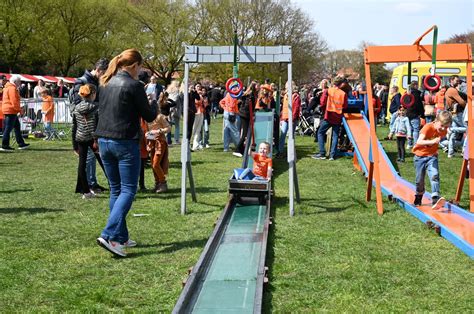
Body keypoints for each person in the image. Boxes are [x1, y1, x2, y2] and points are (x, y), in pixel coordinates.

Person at [95, 48, 158, 257]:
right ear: (134, 65)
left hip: (104, 140)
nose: (140, 70)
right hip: (124, 142)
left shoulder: (105, 82)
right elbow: (149, 116)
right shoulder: (134, 86)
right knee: (128, 190)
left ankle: (120, 236)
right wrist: (155, 103)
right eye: (140, 66)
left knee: (116, 189)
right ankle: (109, 235)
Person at [71, 58, 110, 193]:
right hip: (86, 127)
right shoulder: (81, 81)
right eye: (104, 73)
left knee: (94, 157)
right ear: (98, 70)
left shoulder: (96, 81)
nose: (105, 76)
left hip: (95, 125)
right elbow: (78, 104)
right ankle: (88, 185)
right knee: (89, 159)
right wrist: (96, 107)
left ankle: (92, 183)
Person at [412, 110, 452, 208]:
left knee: (435, 175)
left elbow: (442, 138)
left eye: (446, 127)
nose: (443, 128)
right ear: (436, 121)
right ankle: (419, 195)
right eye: (442, 125)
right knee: (419, 180)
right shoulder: (427, 127)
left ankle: (435, 197)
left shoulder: (444, 130)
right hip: (419, 157)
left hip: (432, 157)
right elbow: (419, 141)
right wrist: (432, 141)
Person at [72, 84, 100, 199]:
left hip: (80, 138)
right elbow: (99, 125)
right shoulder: (97, 108)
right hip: (95, 139)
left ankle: (86, 191)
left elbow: (74, 127)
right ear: (92, 94)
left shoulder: (76, 108)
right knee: (105, 162)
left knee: (82, 165)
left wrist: (74, 145)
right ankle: (115, 187)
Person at [312, 76, 348, 161]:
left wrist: (322, 108)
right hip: (338, 116)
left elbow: (322, 102)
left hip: (328, 115)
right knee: (335, 136)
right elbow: (345, 106)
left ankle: (322, 153)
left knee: (320, 133)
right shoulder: (343, 94)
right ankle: (332, 155)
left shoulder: (328, 91)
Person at [146, 93, 171, 193]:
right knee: (153, 164)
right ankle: (157, 184)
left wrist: (159, 131)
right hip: (152, 142)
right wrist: (148, 135)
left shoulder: (160, 117)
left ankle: (163, 183)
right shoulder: (147, 118)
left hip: (161, 142)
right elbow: (147, 131)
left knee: (156, 164)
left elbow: (169, 128)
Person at [1, 75, 30, 152]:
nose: (20, 83)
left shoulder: (8, 87)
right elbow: (14, 101)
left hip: (9, 109)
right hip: (11, 110)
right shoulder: (12, 88)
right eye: (19, 81)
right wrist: (20, 110)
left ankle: (21, 143)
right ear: (15, 82)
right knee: (8, 128)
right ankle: (5, 145)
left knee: (16, 127)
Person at [233, 81, 257, 157]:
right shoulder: (250, 95)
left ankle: (242, 150)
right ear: (254, 87)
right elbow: (247, 106)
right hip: (245, 115)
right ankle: (237, 149)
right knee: (245, 134)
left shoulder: (249, 94)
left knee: (245, 133)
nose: (258, 87)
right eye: (257, 86)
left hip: (244, 114)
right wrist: (251, 114)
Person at [278, 81, 301, 155]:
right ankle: (280, 151)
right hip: (285, 118)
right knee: (283, 134)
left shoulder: (296, 96)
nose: (286, 87)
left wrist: (293, 119)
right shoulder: (285, 95)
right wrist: (281, 117)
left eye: (287, 86)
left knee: (291, 136)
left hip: (292, 119)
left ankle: (291, 152)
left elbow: (296, 108)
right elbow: (284, 108)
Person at [219, 87, 240, 152]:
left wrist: (225, 108)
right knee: (234, 130)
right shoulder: (232, 95)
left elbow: (221, 102)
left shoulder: (228, 94)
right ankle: (239, 147)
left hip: (227, 113)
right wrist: (237, 102)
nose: (236, 90)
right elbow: (232, 105)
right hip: (231, 113)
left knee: (227, 131)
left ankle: (226, 147)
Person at [406, 81, 424, 149]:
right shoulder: (416, 94)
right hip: (415, 113)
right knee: (416, 129)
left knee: (409, 129)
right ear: (415, 85)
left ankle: (409, 144)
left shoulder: (408, 93)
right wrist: (421, 113)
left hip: (408, 113)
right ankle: (416, 144)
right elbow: (419, 105)